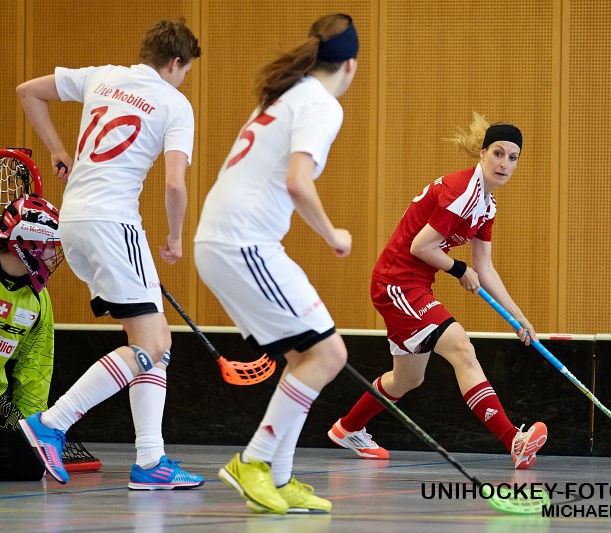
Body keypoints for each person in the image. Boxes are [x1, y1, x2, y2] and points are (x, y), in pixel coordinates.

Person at [15, 18, 204, 490]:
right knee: (152, 345)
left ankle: (151, 461)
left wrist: (58, 150)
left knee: (155, 344)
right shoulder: (175, 104)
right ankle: (51, 424)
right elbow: (176, 183)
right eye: (185, 71)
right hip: (113, 224)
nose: (183, 80)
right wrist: (177, 238)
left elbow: (26, 90)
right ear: (177, 62)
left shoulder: (101, 75)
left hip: (72, 220)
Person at [193, 13, 358, 514]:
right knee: (330, 355)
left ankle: (280, 476)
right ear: (350, 66)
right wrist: (333, 234)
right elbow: (297, 180)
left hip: (224, 241)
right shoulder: (321, 104)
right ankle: (254, 460)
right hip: (242, 243)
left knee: (303, 357)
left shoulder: (285, 96)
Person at [328, 113, 549, 469]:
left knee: (407, 378)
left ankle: (348, 428)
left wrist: (518, 318)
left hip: (412, 283)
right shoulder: (463, 192)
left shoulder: (486, 203)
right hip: (397, 282)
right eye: (498, 153)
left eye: (513, 157)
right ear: (482, 153)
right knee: (462, 348)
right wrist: (458, 269)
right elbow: (421, 247)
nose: (504, 163)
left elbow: (485, 267)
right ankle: (514, 441)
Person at [0, 194, 62, 481]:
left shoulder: (38, 300)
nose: (52, 255)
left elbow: (35, 369)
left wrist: (33, 430)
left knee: (29, 464)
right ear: (27, 243)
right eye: (49, 247)